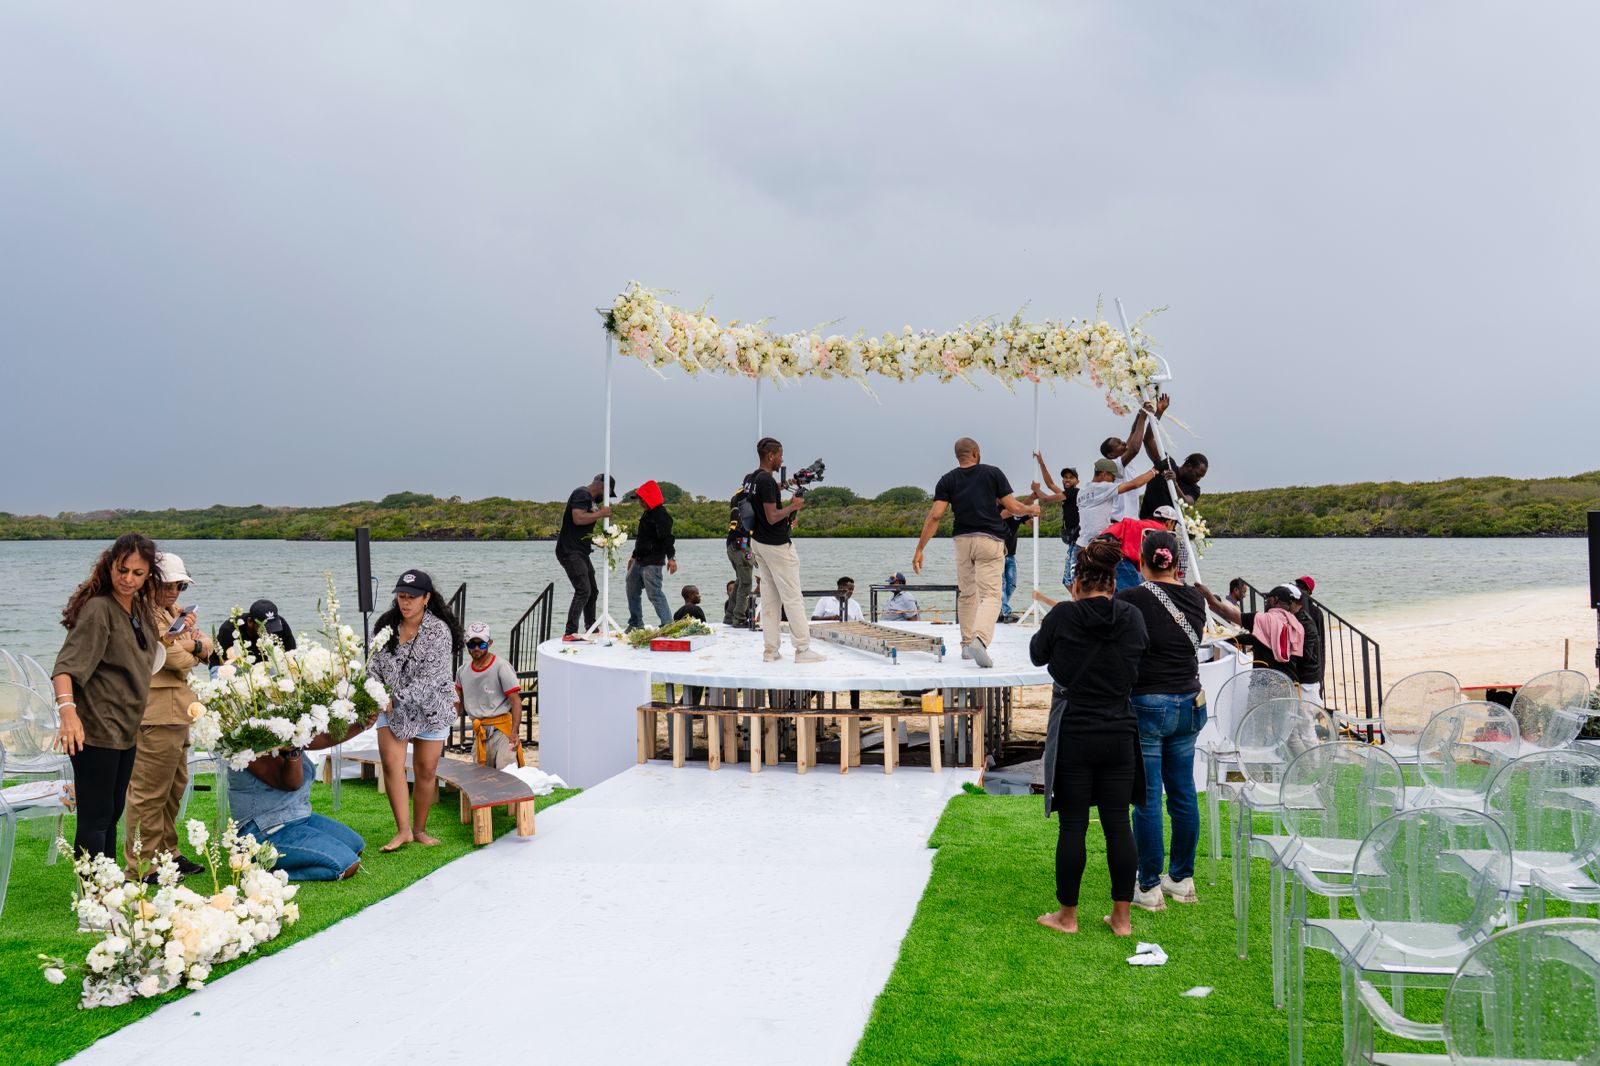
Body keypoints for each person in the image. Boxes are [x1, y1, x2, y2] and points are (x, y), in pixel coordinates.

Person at [1029, 538, 1149, 937]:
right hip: (1119, 728)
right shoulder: (1131, 616)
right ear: (1113, 585)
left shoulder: (1064, 615)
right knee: (1118, 824)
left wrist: (1063, 616)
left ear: (1077, 584)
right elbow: (1141, 654)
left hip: (1076, 730)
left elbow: (1036, 654)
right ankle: (1122, 918)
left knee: (1074, 826)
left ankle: (1068, 916)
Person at [50, 534, 164, 860]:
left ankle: (108, 893)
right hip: (96, 730)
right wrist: (68, 713)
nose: (127, 579)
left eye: (137, 573)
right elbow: (65, 669)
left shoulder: (139, 608)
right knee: (95, 817)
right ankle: (94, 902)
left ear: (147, 576)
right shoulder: (99, 609)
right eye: (121, 570)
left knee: (112, 814)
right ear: (110, 565)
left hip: (125, 730)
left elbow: (143, 654)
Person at [1116, 532, 1207, 911]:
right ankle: (1182, 879)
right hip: (1190, 701)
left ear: (1144, 560)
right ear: (1175, 562)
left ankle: (1149, 885)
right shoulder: (1196, 597)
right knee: (1183, 792)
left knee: (1148, 796)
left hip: (1148, 702)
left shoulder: (1131, 598)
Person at [913, 438, 1039, 668]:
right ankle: (979, 639)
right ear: (975, 452)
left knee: (967, 593)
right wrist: (1031, 508)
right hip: (989, 539)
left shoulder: (947, 479)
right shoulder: (993, 473)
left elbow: (935, 516)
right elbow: (1012, 507)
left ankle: (965, 645)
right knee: (991, 595)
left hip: (962, 541)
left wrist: (920, 549)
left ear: (958, 455)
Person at [124, 552, 211, 876]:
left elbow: (207, 645)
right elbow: (173, 660)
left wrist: (191, 644)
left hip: (177, 711)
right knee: (149, 792)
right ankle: (141, 866)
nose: (174, 592)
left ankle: (167, 854)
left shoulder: (170, 612)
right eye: (168, 585)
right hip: (155, 713)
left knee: (174, 788)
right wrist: (191, 647)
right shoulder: (144, 613)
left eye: (180, 587)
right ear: (151, 583)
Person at [368, 568, 463, 851]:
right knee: (391, 764)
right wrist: (376, 694)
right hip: (392, 707)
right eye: (401, 596)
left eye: (412, 597)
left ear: (427, 598)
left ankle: (420, 830)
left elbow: (431, 679)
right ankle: (403, 831)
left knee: (425, 769)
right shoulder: (385, 627)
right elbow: (372, 666)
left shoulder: (439, 631)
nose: (405, 602)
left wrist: (395, 698)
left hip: (429, 707)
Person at [229, 716, 371, 881]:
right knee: (346, 865)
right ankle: (257, 867)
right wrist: (294, 751)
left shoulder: (279, 720)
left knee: (356, 846)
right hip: (263, 830)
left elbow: (319, 739)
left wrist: (361, 724)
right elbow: (292, 783)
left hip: (297, 816)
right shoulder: (245, 737)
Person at [744, 438, 826, 663]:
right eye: (780, 455)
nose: (782, 459)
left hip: (758, 543)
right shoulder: (767, 482)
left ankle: (770, 651)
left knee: (770, 598)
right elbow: (772, 517)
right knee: (793, 597)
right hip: (776, 545)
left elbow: (767, 492)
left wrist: (790, 481)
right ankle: (802, 649)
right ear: (771, 456)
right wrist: (794, 506)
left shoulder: (751, 478)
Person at [1074, 460, 1160, 592]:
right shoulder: (1101, 487)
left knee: (1090, 589)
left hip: (1081, 546)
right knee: (1131, 587)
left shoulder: (1082, 491)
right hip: (1100, 546)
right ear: (1103, 474)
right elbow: (1134, 484)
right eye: (1112, 477)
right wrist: (1155, 471)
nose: (1113, 480)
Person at [454, 622, 523, 770]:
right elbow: (456, 703)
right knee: (481, 779)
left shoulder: (501, 667)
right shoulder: (462, 671)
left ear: (490, 643)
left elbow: (516, 701)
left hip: (502, 731)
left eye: (482, 644)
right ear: (466, 644)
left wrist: (514, 733)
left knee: (506, 774)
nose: (477, 648)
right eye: (472, 644)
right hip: (480, 733)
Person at [556, 473, 614, 641]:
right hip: (570, 551)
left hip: (580, 551)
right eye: (608, 494)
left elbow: (582, 530)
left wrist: (598, 540)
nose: (606, 499)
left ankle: (591, 627)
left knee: (593, 590)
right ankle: (570, 632)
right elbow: (578, 518)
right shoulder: (582, 494)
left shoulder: (591, 501)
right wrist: (601, 514)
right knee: (583, 589)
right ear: (604, 487)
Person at [1098, 398, 1167, 521]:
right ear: (1111, 455)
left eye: (1121, 440)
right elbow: (1135, 448)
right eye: (1118, 444)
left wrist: (1153, 412)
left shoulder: (1124, 460)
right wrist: (1143, 417)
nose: (1124, 443)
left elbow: (1134, 430)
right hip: (1119, 522)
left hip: (1131, 521)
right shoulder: (1113, 466)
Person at [625, 480, 677, 631]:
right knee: (631, 588)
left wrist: (671, 558)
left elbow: (667, 538)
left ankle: (667, 624)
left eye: (642, 499)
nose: (640, 502)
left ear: (650, 498)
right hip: (640, 559)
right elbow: (642, 539)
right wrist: (633, 557)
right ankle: (635, 624)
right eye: (640, 500)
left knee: (654, 593)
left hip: (653, 561)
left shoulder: (662, 515)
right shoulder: (647, 513)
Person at [1101, 505, 1183, 592]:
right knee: (1133, 594)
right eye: (1174, 524)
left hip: (1109, 550)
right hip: (1120, 556)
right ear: (1169, 522)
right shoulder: (1161, 532)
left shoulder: (1143, 524)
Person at [1031, 453, 1080, 588]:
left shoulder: (1074, 492)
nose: (1067, 480)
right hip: (1072, 542)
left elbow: (1046, 499)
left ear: (1077, 481)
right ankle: (1078, 602)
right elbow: (1050, 483)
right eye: (1065, 477)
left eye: (1071, 477)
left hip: (1077, 541)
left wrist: (1036, 490)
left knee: (1071, 581)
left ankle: (1080, 604)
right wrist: (1041, 462)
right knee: (1067, 581)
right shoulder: (1066, 495)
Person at [209, 599, 295, 670]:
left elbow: (292, 654)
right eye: (264, 628)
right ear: (250, 622)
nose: (269, 633)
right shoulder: (230, 629)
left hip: (264, 667)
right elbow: (224, 664)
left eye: (273, 627)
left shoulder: (281, 624)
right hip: (226, 668)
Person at [1139, 452, 1208, 520]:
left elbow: (1187, 502)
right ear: (1189, 466)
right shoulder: (1168, 464)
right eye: (1197, 474)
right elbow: (1151, 445)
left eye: (1201, 477)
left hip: (1166, 528)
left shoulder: (1195, 489)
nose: (1198, 479)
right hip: (1144, 520)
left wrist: (1175, 484)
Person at [725, 480, 756, 627]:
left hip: (732, 545)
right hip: (741, 546)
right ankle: (739, 618)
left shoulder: (737, 497)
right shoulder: (748, 500)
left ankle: (730, 616)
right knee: (746, 583)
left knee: (739, 581)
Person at [999, 511, 1032, 622]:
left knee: (1012, 585)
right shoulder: (997, 508)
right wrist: (1025, 507)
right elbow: (1002, 514)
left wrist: (1033, 513)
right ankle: (1006, 613)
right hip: (998, 554)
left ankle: (999, 610)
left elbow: (1031, 524)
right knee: (1001, 585)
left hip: (1011, 555)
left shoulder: (1018, 509)